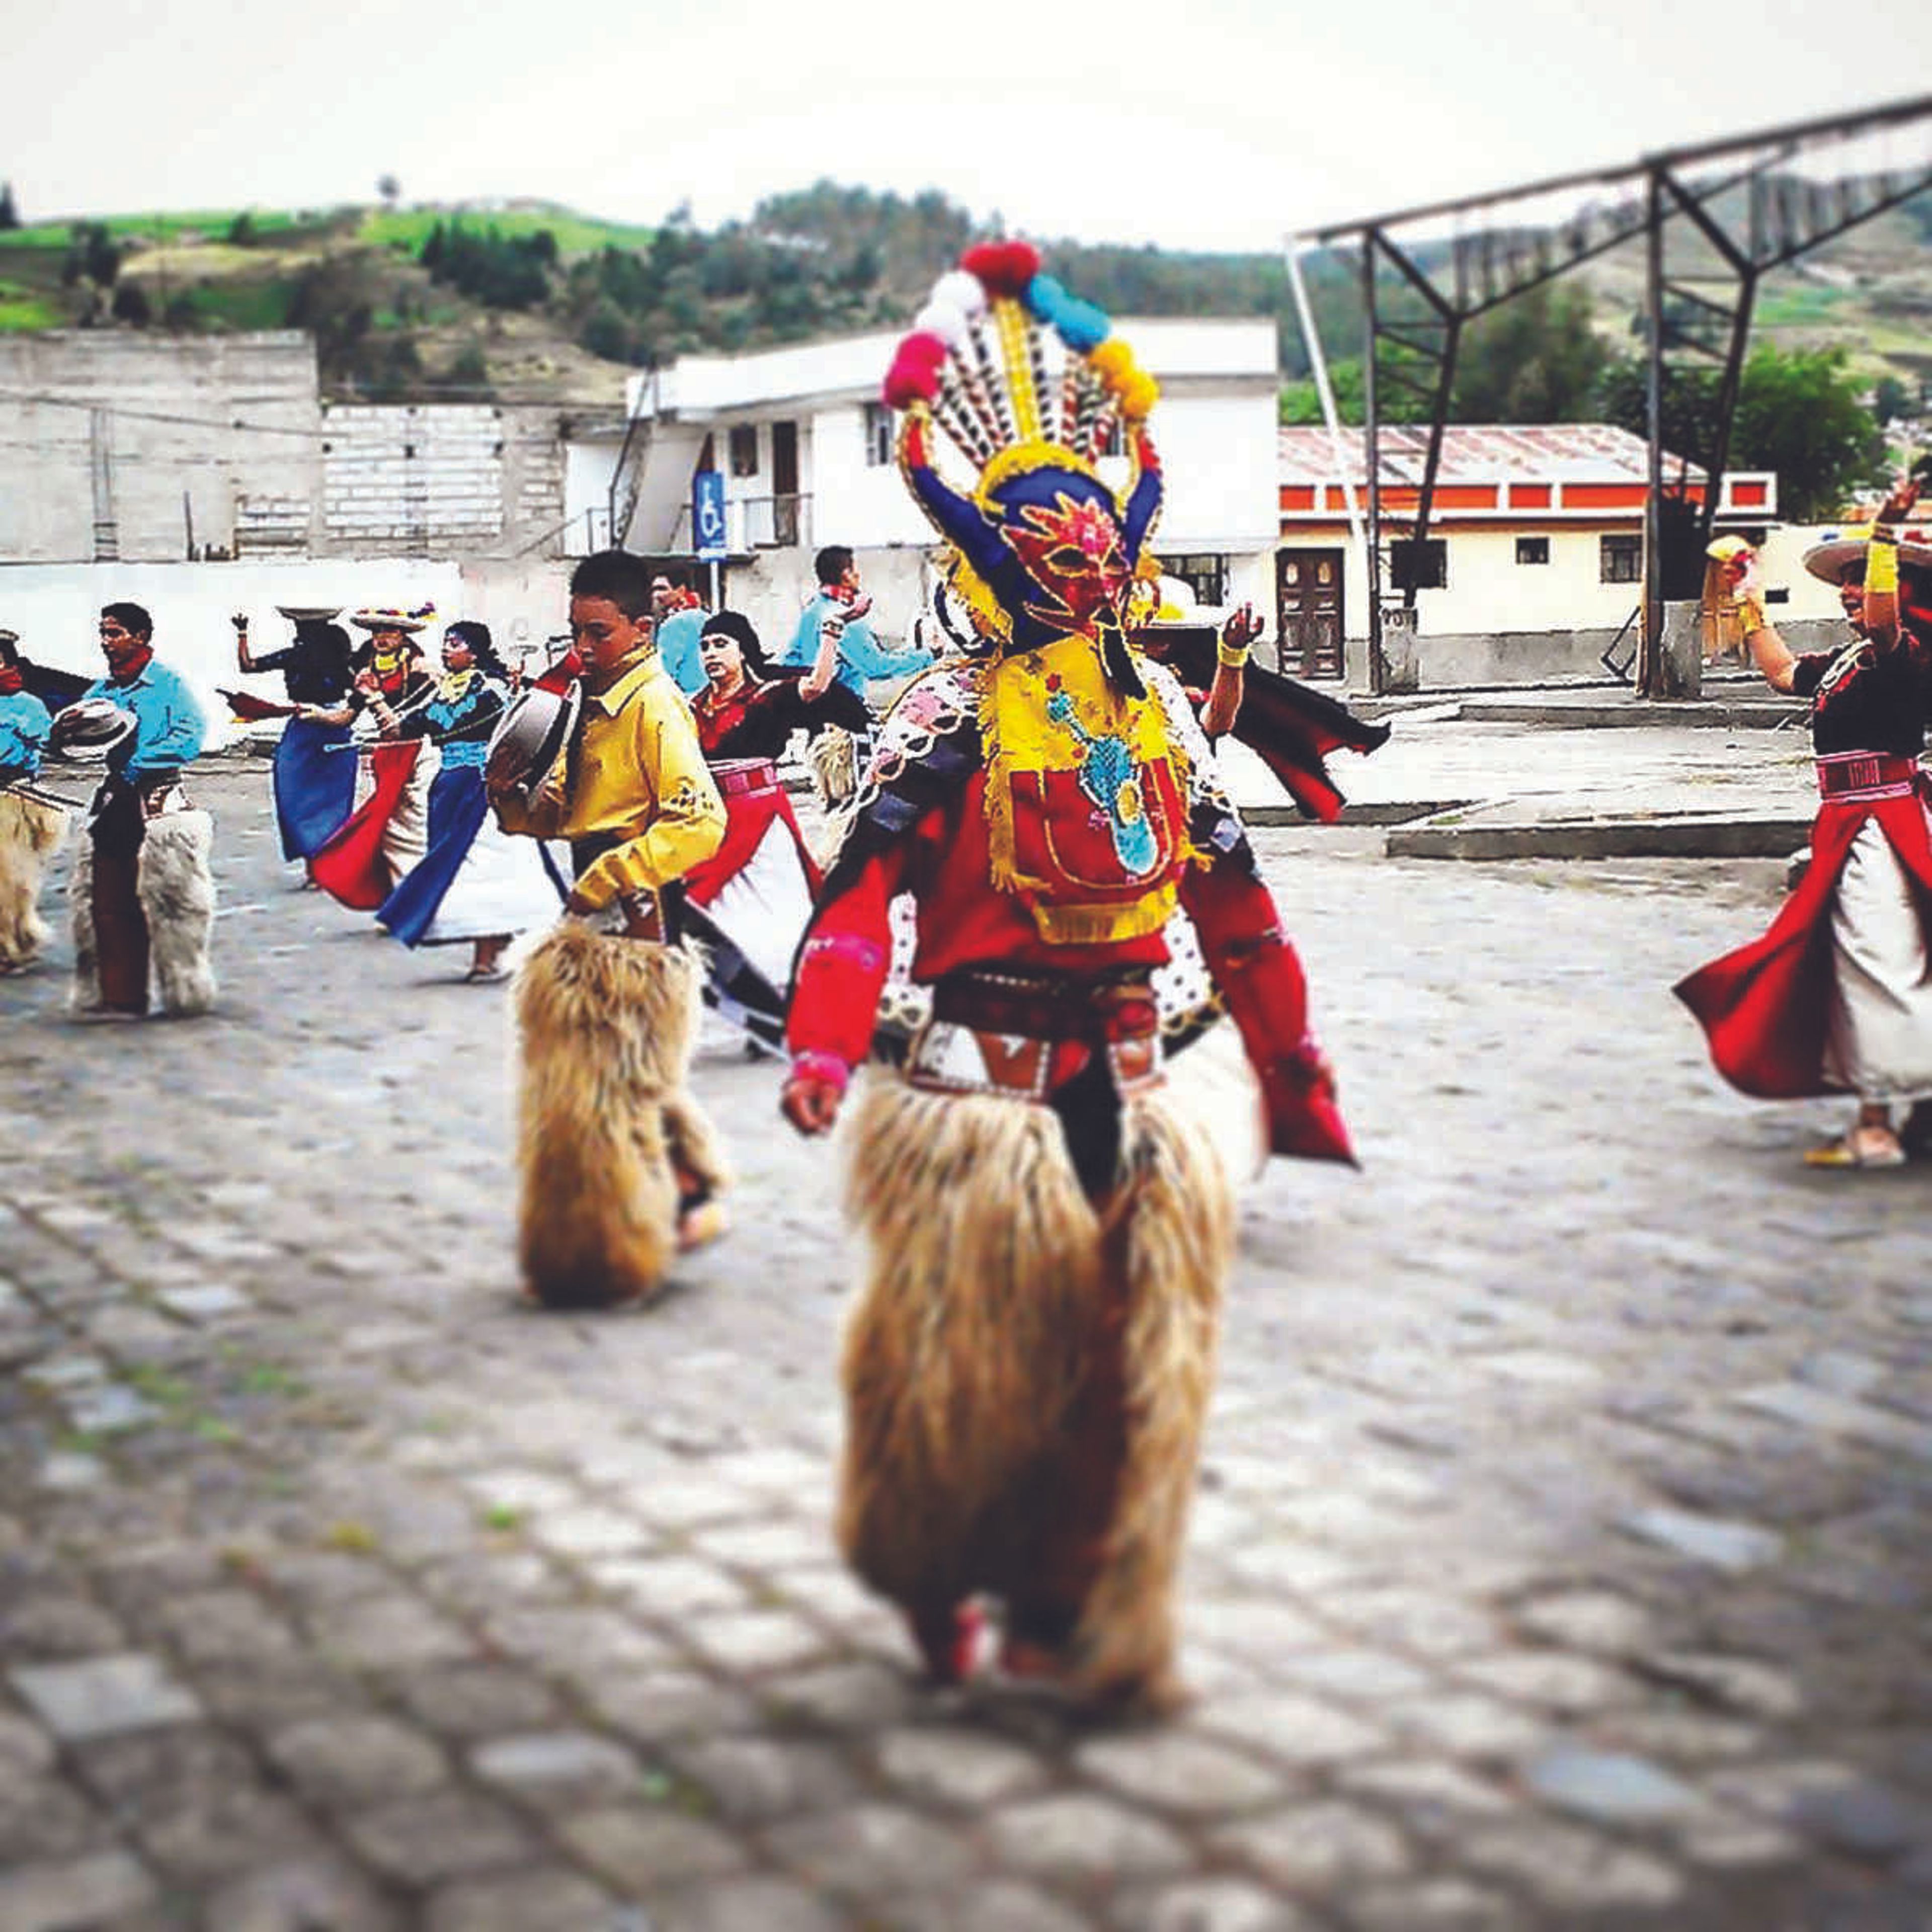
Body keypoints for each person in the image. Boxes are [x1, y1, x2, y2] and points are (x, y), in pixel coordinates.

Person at [781, 247, 1354, 1710]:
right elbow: (855, 899)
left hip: (1127, 1088)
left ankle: (1063, 1599)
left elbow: (1236, 904)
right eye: (1061, 561)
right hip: (977, 1105)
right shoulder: (944, 716)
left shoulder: (1150, 705)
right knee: (955, 1377)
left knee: (1112, 1382)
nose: (1087, 579)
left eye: (1100, 557)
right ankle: (935, 1574)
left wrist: (1288, 1064)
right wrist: (820, 1040)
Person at [489, 549, 730, 1309]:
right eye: (575, 633)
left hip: (634, 915)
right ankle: (684, 1196)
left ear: (643, 629)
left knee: (611, 1095)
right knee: (613, 1084)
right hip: (596, 905)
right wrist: (510, 802)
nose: (581, 650)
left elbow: (702, 821)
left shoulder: (655, 705)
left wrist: (608, 879)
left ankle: (627, 1241)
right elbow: (564, 810)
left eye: (598, 634)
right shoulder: (592, 701)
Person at [1676, 481, 1932, 1168]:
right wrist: (1747, 592)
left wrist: (1885, 535)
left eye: (1864, 583)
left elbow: (1882, 622)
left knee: (1878, 960)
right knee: (1862, 960)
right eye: (1846, 585)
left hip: (1886, 825)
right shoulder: (1845, 661)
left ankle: (1877, 1125)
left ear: (1902, 591)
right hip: (1845, 826)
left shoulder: (1902, 654)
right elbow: (1783, 673)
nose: (1852, 595)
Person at [681, 609, 868, 1046]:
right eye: (706, 646)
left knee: (777, 914)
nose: (711, 653)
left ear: (743, 650)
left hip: (763, 823)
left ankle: (793, 1006)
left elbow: (817, 686)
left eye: (721, 644)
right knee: (708, 913)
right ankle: (759, 1007)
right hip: (713, 822)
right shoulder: (691, 707)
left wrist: (831, 632)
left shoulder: (767, 697)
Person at [376, 621, 565, 981]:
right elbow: (398, 730)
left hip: (486, 789)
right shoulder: (439, 693)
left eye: (455, 644)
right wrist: (373, 697)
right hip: (448, 789)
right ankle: (495, 949)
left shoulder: (492, 689)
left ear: (475, 652)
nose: (447, 650)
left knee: (488, 867)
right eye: (445, 644)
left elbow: (524, 725)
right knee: (460, 869)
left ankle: (487, 956)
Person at [61, 602, 214, 1019]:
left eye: (116, 633)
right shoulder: (103, 692)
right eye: (104, 633)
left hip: (159, 800)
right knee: (106, 899)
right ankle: (119, 995)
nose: (107, 641)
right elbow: (80, 732)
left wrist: (138, 762)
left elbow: (190, 735)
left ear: (141, 636)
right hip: (116, 800)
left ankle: (184, 991)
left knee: (172, 902)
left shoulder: (167, 686)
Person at [306, 610, 439, 909]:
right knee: (385, 830)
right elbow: (347, 717)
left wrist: (374, 697)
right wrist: (314, 714)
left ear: (403, 636)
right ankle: (401, 899)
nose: (381, 637)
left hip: (421, 752)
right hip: (388, 755)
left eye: (389, 631)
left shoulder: (422, 670)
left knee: (414, 827)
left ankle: (419, 897)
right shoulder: (370, 671)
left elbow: (400, 724)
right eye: (377, 631)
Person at [779, 546, 931, 805]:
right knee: (853, 806)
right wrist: (928, 656)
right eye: (855, 572)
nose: (859, 578)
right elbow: (876, 666)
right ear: (847, 575)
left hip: (817, 725)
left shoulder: (811, 613)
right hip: (844, 728)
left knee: (830, 806)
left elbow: (790, 661)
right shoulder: (843, 618)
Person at [229, 609, 358, 864]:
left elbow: (248, 666)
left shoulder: (299, 655)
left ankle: (319, 855)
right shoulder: (343, 657)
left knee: (295, 788)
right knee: (330, 794)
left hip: (315, 723)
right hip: (328, 724)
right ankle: (323, 854)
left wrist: (242, 633)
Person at [0, 629, 64, 976]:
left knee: (10, 880)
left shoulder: (27, 705)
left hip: (11, 798)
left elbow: (48, 744)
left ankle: (12, 945)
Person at [651, 567, 710, 699]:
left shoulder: (674, 622)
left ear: (681, 590)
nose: (656, 595)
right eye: (653, 590)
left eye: (662, 589)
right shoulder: (705, 616)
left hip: (685, 700)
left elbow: (664, 670)